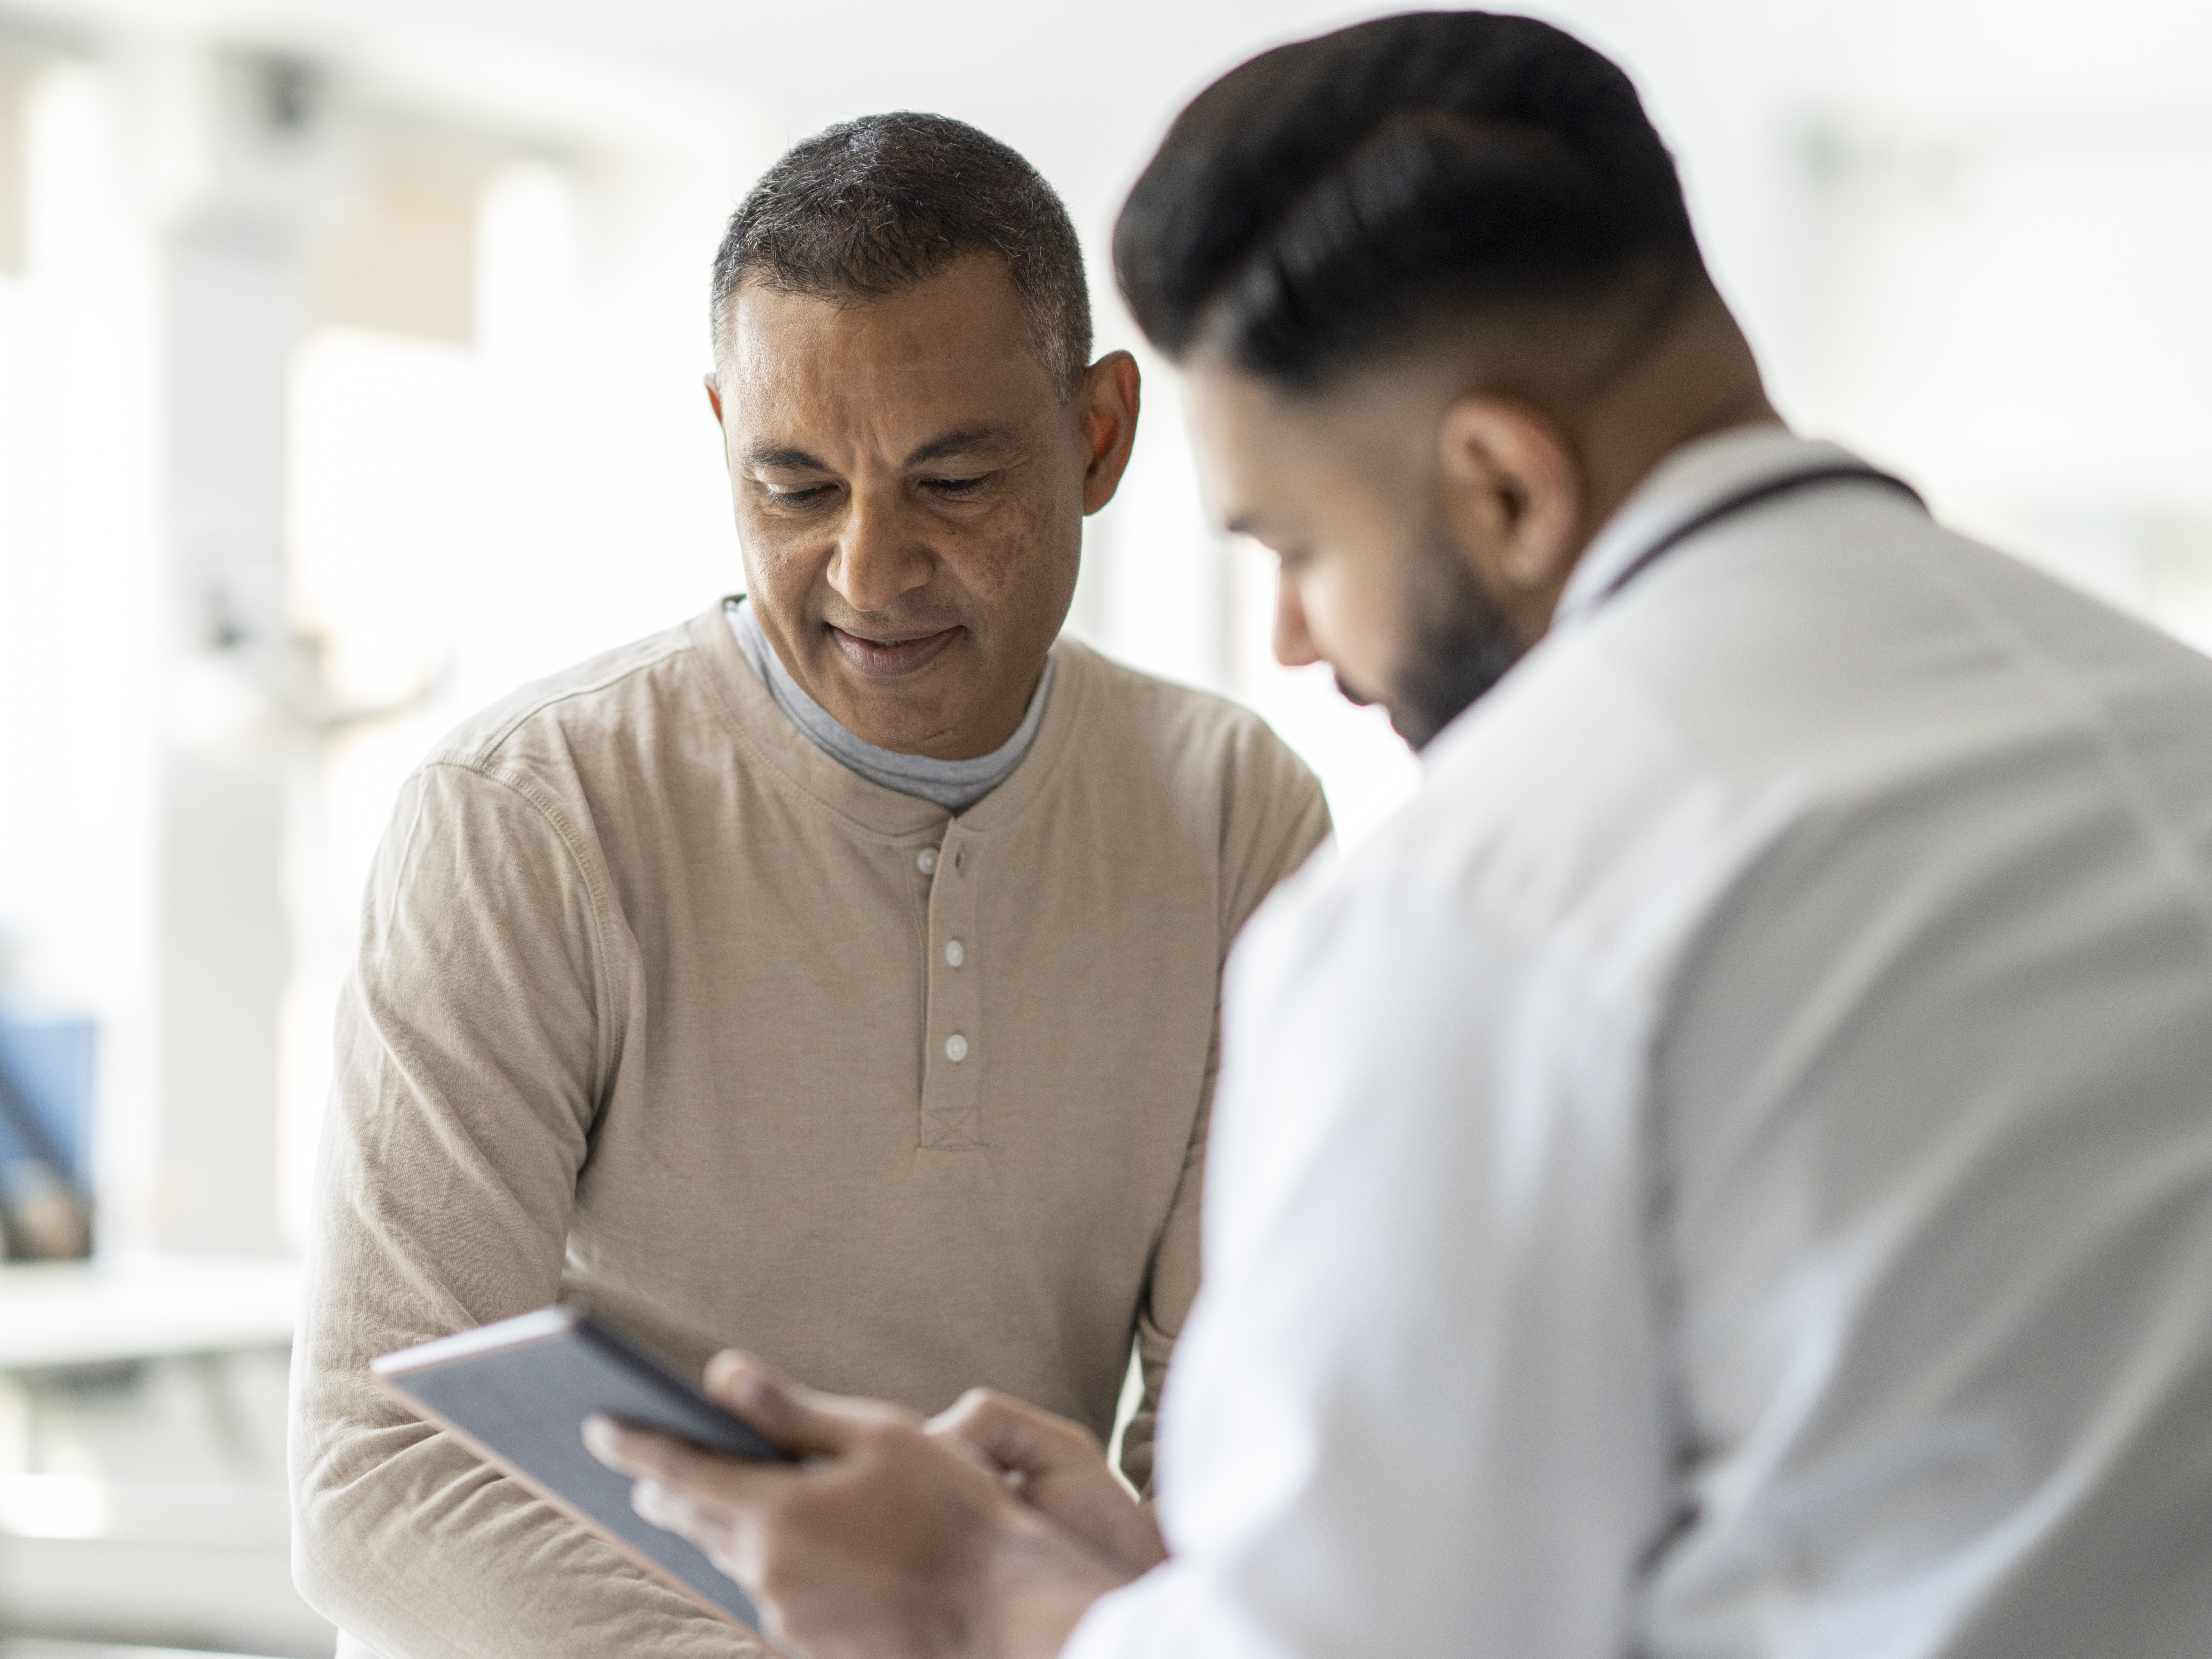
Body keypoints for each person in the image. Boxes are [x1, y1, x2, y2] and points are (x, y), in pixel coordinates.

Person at [584, 14, 2212, 1659]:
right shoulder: (2167, 724)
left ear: (1503, 488)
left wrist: (977, 1603)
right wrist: (1156, 1596)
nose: (1293, 635)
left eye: (1294, 542)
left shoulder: (1487, 909)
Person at [288, 112, 1330, 1659]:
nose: (866, 571)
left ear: (1097, 436)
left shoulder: (1230, 813)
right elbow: (380, 1482)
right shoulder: (526, 819)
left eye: (953, 481)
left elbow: (1228, 1438)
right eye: (792, 489)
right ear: (722, 436)